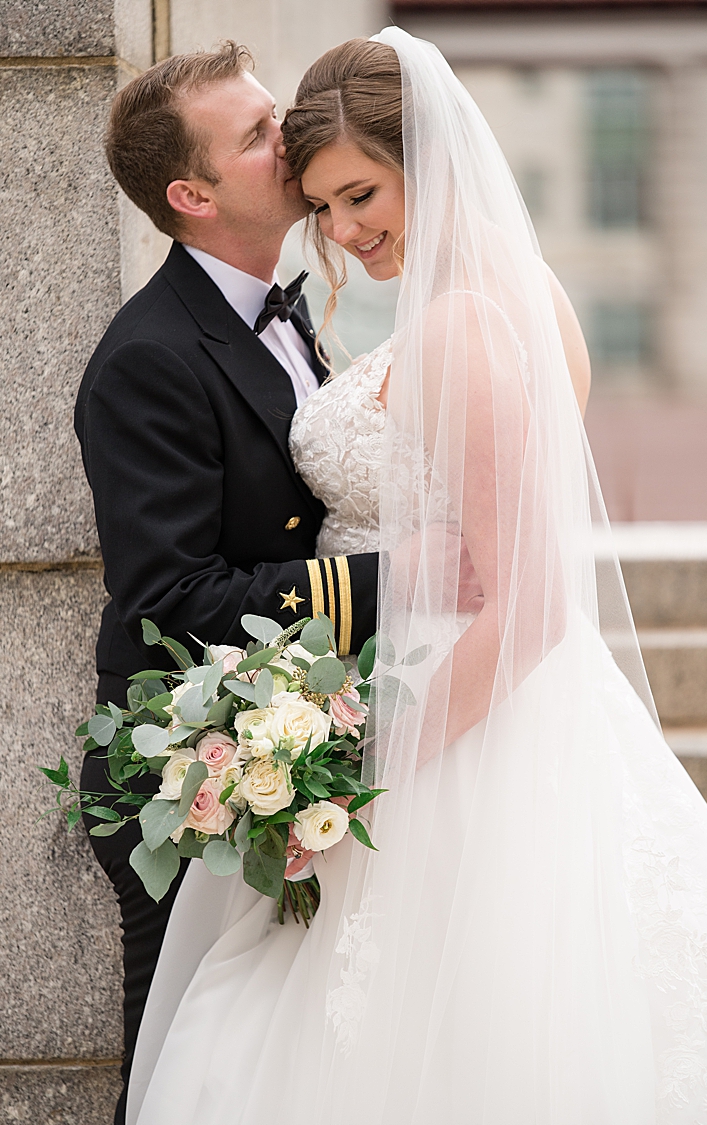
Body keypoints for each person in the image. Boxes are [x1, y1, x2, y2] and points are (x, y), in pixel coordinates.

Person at [124, 30, 707, 1124]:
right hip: (448, 698)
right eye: (324, 205)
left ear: (433, 162)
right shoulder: (506, 297)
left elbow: (534, 599)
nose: (346, 230)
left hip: (442, 725)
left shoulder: (462, 328)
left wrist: (362, 768)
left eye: (362, 193)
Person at [75, 43, 392, 1122]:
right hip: (182, 777)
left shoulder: (280, 309)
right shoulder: (149, 358)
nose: (294, 136)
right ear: (191, 195)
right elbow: (171, 596)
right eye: (261, 133)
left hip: (284, 745)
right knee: (180, 1069)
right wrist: (397, 581)